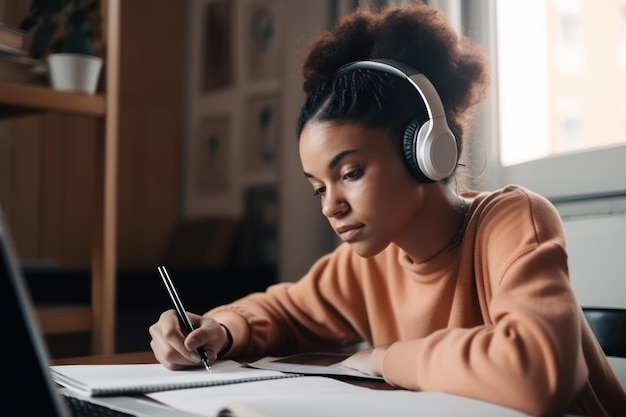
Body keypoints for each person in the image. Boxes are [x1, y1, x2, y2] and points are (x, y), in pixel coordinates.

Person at [149, 2, 626, 416]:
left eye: (350, 173)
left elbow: (537, 372)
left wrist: (385, 358)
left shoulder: (512, 220)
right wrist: (220, 330)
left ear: (426, 150)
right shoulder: (369, 262)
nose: (331, 207)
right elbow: (282, 310)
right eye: (318, 188)